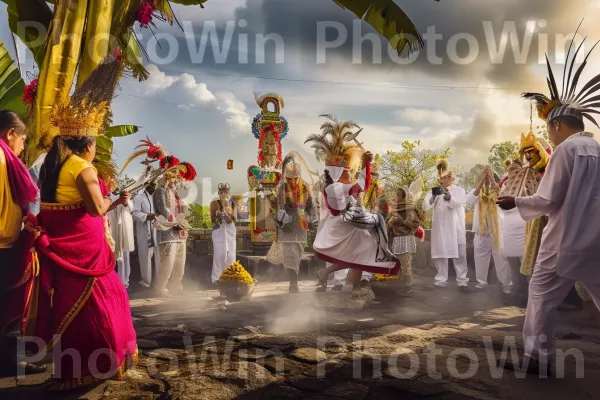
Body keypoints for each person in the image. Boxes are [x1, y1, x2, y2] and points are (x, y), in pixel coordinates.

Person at [498, 32, 600, 375]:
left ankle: (538, 360)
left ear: (556, 124)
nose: (548, 137)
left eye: (549, 129)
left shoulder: (566, 150)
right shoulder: (598, 150)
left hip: (564, 241)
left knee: (540, 296)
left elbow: (548, 198)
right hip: (597, 242)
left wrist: (514, 201)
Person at [306, 115, 399, 299]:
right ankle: (354, 288)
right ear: (338, 173)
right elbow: (362, 185)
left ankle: (329, 277)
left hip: (350, 226)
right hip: (344, 227)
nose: (350, 175)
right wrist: (365, 164)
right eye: (347, 173)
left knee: (356, 255)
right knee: (359, 254)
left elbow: (360, 185)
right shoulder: (335, 187)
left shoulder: (339, 186)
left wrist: (366, 164)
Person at [0, 110, 46, 376]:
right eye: (23, 140)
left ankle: (8, 361)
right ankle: (8, 363)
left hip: (8, 244)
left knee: (7, 307)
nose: (23, 147)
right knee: (9, 308)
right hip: (3, 247)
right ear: (10, 134)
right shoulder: (3, 159)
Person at [266, 152, 318, 293]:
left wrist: (314, 221)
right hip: (286, 227)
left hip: (301, 226)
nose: (292, 181)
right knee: (289, 255)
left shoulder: (306, 187)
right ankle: (293, 283)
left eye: (295, 178)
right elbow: (275, 208)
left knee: (297, 255)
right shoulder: (280, 188)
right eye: (289, 178)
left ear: (299, 176)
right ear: (285, 176)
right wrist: (282, 223)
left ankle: (294, 281)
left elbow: (311, 207)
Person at [422, 159, 469, 290]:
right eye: (443, 177)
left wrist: (449, 197)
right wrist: (433, 196)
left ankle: (462, 281)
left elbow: (459, 203)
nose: (446, 179)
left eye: (448, 177)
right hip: (440, 228)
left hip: (456, 227)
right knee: (440, 253)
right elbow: (425, 206)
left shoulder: (459, 190)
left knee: (460, 254)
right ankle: (441, 280)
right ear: (440, 179)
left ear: (452, 178)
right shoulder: (434, 191)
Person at [153, 162, 196, 296]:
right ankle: (161, 288)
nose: (177, 180)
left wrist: (183, 217)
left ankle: (176, 286)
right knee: (168, 261)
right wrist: (176, 221)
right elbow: (162, 210)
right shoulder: (160, 191)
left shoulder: (176, 193)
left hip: (179, 231)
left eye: (178, 177)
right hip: (167, 230)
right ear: (167, 176)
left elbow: (184, 211)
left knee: (180, 261)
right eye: (175, 177)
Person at [466, 167, 511, 292]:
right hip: (481, 231)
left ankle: (506, 284)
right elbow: (469, 199)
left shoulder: (499, 191)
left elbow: (502, 194)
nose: (486, 180)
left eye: (488, 178)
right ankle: (481, 282)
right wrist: (481, 182)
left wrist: (491, 178)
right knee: (480, 258)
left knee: (501, 259)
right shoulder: (477, 191)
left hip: (497, 231)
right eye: (484, 177)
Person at [387, 186, 421, 296]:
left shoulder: (410, 209)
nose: (395, 197)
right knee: (399, 265)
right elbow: (388, 226)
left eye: (398, 195)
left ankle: (408, 287)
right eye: (395, 195)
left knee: (406, 265)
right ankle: (403, 286)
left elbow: (414, 224)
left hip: (406, 239)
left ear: (404, 197)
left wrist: (400, 219)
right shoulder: (395, 210)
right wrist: (390, 221)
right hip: (397, 239)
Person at [107, 179, 135, 289]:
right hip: (109, 229)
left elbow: (130, 207)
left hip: (122, 231)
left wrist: (125, 201)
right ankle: (112, 283)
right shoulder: (103, 196)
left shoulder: (122, 196)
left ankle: (124, 282)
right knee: (111, 257)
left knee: (124, 257)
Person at [132, 181, 160, 288]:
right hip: (144, 230)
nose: (152, 186)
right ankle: (146, 282)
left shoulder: (158, 196)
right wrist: (147, 216)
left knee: (159, 256)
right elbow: (134, 213)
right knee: (145, 256)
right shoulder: (139, 197)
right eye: (150, 184)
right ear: (145, 184)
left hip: (157, 229)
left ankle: (159, 281)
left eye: (154, 184)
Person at [210, 183, 237, 284]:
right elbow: (212, 220)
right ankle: (217, 279)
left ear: (229, 193)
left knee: (230, 255)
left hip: (230, 230)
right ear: (218, 193)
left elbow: (235, 219)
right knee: (219, 255)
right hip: (219, 230)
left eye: (226, 192)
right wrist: (219, 216)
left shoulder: (233, 203)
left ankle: (231, 278)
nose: (223, 194)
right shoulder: (214, 203)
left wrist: (228, 216)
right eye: (221, 192)